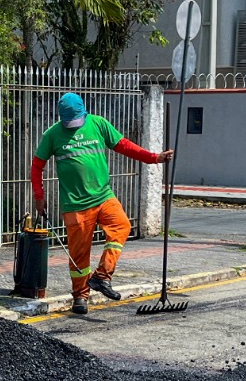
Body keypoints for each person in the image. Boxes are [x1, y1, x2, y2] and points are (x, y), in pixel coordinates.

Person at [31, 92, 171, 315]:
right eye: (69, 122)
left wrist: (154, 158)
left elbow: (124, 145)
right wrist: (39, 196)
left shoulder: (98, 124)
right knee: (79, 255)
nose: (72, 125)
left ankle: (102, 276)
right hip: (75, 205)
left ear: (84, 112)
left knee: (122, 226)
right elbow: (37, 167)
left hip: (104, 196)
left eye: (76, 121)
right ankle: (80, 296)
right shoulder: (53, 134)